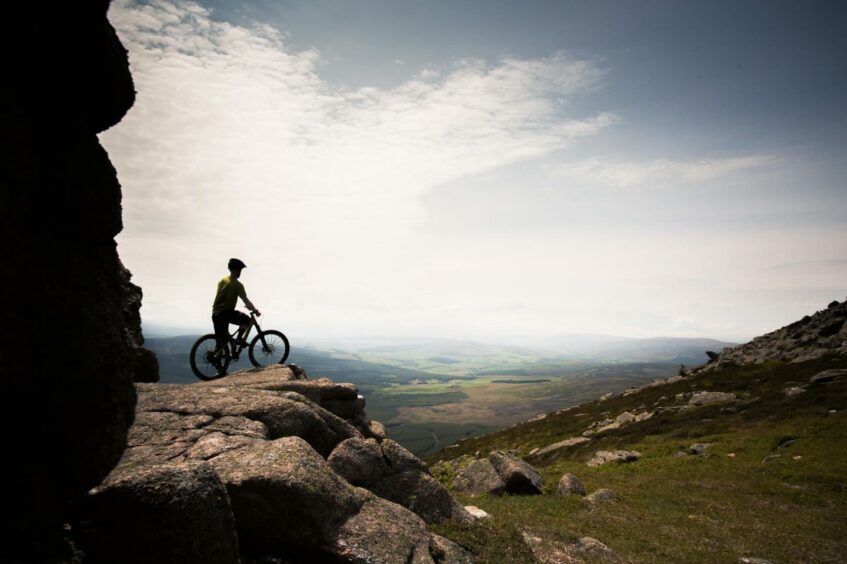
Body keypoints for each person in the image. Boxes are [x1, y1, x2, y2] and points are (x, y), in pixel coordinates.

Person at [212, 258, 260, 356]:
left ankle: (219, 365)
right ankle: (238, 339)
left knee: (221, 341)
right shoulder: (237, 285)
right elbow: (245, 300)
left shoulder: (223, 280)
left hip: (215, 313)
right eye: (240, 270)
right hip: (225, 313)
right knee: (247, 320)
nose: (240, 272)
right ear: (236, 270)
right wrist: (254, 310)